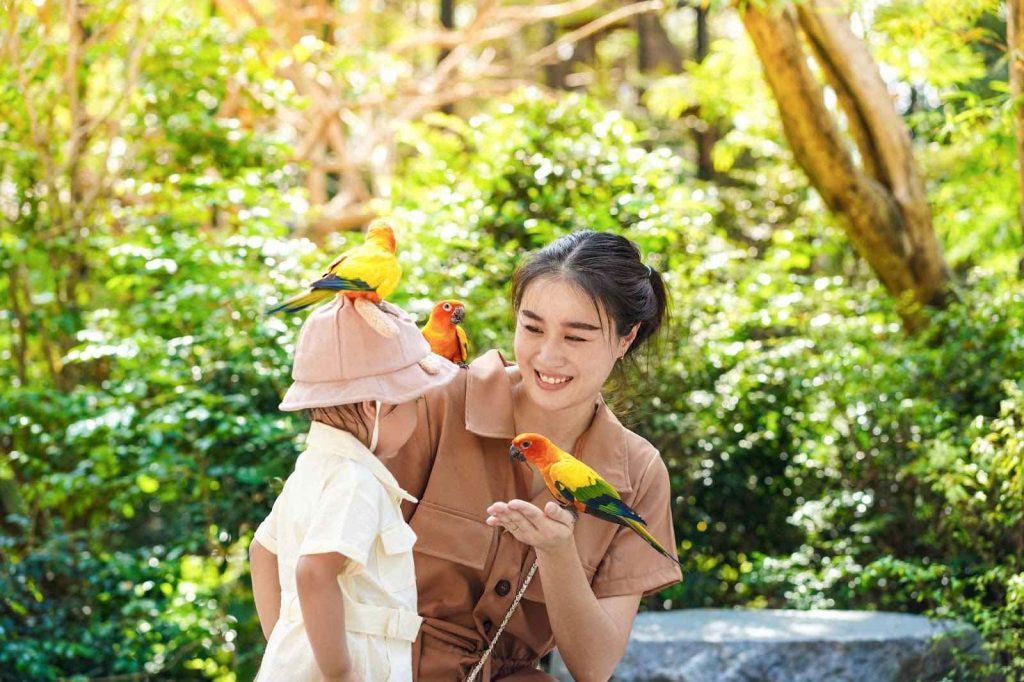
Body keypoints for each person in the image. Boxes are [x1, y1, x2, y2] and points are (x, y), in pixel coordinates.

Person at [378, 230, 683, 681]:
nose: (547, 355)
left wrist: (557, 554)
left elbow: (593, 666)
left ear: (625, 339)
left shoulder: (637, 473)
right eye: (532, 327)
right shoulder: (433, 403)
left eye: (576, 338)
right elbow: (288, 552)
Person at [249, 297, 458, 681]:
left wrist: (285, 642)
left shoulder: (311, 468)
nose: (416, 416)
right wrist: (339, 673)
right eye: (412, 403)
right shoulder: (356, 481)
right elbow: (314, 572)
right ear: (373, 407)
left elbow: (261, 551)